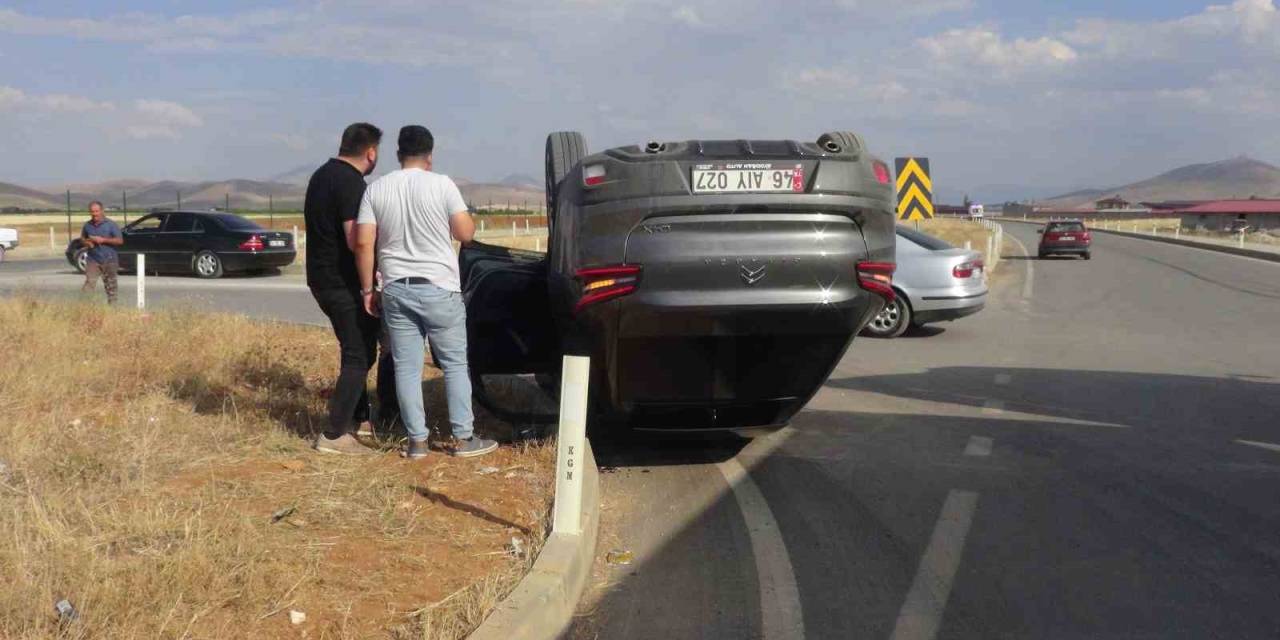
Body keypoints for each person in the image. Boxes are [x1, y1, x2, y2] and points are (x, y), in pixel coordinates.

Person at [355, 125, 497, 460]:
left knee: (406, 367)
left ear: (398, 154)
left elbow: (363, 242)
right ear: (429, 156)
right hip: (439, 287)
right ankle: (463, 438)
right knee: (454, 365)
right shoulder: (443, 184)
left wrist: (367, 289)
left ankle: (416, 442)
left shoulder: (376, 189)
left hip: (396, 288)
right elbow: (465, 232)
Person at [304, 122, 398, 455]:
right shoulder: (350, 183)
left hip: (321, 278)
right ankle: (334, 435)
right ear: (371, 152)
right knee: (359, 355)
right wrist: (368, 287)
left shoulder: (322, 175)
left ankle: (359, 418)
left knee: (353, 349)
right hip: (341, 282)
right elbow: (356, 239)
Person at [80, 201, 123, 304]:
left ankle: (112, 308)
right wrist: (87, 242)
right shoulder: (87, 225)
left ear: (102, 211)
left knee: (111, 286)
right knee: (89, 283)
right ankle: (85, 308)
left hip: (109, 259)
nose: (94, 214)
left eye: (96, 211)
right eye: (92, 211)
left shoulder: (111, 225)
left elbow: (120, 241)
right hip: (93, 260)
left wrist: (103, 240)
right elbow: (82, 238)